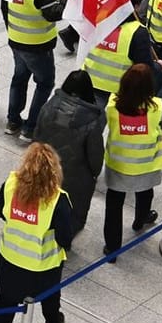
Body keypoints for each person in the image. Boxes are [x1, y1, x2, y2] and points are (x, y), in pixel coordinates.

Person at [0, 143, 77, 323]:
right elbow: (65, 238)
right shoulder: (57, 200)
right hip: (42, 266)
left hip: (9, 258)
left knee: (5, 299)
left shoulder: (10, 184)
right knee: (50, 295)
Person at [102, 65, 162, 263]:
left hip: (118, 165)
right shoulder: (156, 107)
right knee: (145, 192)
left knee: (114, 206)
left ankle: (112, 249)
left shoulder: (112, 106)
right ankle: (140, 220)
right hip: (146, 164)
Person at [32, 70, 104, 242]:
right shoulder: (92, 119)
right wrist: (94, 172)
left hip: (47, 165)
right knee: (74, 209)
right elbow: (95, 154)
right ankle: (66, 238)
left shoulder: (49, 106)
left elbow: (37, 135)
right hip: (77, 174)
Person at [6, 0, 65, 140]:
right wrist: (64, 4)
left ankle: (13, 121)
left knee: (19, 79)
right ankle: (30, 128)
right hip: (38, 45)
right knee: (45, 83)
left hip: (16, 40)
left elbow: (4, 6)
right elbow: (52, 14)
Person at [80, 0, 162, 107]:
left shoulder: (98, 18)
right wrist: (157, 66)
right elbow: (144, 67)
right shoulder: (137, 31)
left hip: (87, 81)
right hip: (117, 90)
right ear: (135, 6)